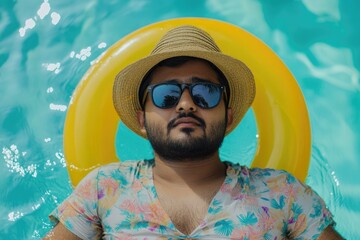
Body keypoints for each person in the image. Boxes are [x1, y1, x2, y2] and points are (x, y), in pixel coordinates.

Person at [44, 25, 343, 239]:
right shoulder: (103, 188)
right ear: (142, 120)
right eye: (166, 95)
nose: (186, 104)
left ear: (228, 117)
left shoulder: (282, 192)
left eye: (205, 93)